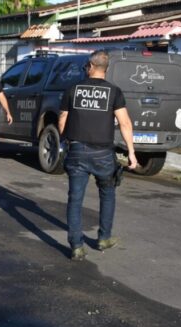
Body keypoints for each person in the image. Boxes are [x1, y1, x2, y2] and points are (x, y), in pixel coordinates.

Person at [58, 50, 137, 261]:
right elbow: (125, 123)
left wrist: (65, 141)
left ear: (90, 66)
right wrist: (131, 152)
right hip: (103, 153)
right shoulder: (114, 92)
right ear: (107, 69)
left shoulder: (73, 89)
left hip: (77, 150)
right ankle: (104, 238)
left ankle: (76, 246)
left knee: (75, 199)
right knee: (107, 193)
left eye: (86, 67)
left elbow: (63, 119)